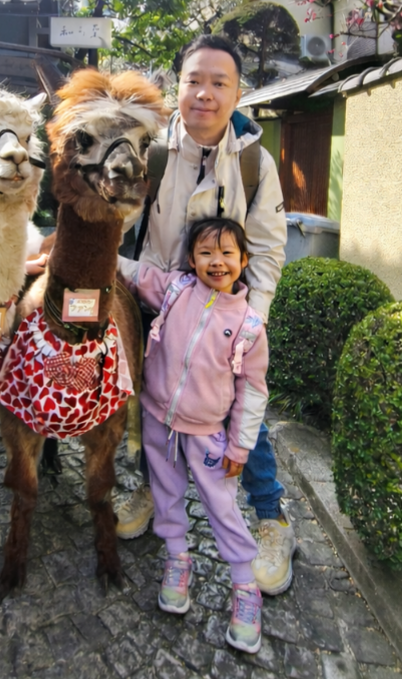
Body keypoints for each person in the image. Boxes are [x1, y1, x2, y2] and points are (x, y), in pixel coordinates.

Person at [115, 34, 297, 596]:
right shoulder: (147, 150)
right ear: (178, 85)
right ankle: (152, 489)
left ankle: (271, 520)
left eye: (220, 82)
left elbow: (266, 247)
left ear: (239, 91)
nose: (205, 93)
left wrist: (253, 320)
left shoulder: (253, 161)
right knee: (153, 404)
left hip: (225, 316)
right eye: (195, 80)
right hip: (156, 307)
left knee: (244, 414)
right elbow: (117, 223)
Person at [118, 217, 267, 654]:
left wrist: (240, 446)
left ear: (243, 260)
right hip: (158, 423)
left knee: (222, 508)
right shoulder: (175, 291)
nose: (216, 262)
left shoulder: (249, 325)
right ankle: (177, 560)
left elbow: (253, 392)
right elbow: (132, 272)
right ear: (190, 260)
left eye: (226, 254)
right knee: (164, 495)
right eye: (205, 253)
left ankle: (244, 588)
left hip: (208, 436)